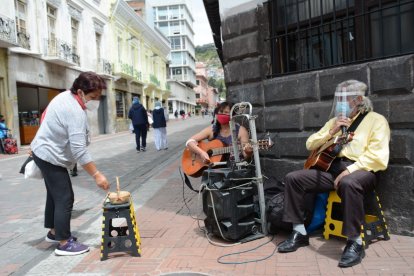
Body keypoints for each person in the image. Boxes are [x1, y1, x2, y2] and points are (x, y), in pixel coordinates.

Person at [277, 80, 390, 268]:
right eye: (338, 99)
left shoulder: (376, 120)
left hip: (362, 170)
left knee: (348, 183)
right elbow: (310, 144)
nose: (339, 103)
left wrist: (349, 171)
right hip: (332, 169)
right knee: (293, 178)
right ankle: (299, 232)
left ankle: (355, 242)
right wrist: (332, 131)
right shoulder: (334, 121)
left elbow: (377, 157)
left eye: (343, 99)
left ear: (358, 100)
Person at [30, 71, 110, 256]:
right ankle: (64, 243)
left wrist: (38, 140)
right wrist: (97, 175)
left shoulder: (65, 95)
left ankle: (54, 232)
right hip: (50, 156)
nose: (95, 101)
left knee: (55, 195)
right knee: (65, 198)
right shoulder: (74, 110)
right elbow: (79, 150)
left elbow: (45, 116)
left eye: (98, 97)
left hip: (44, 152)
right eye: (93, 97)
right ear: (81, 92)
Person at [185, 101, 253, 164]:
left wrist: (248, 152)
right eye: (220, 111)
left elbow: (245, 156)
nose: (222, 114)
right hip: (214, 170)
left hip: (235, 170)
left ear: (233, 115)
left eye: (226, 112)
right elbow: (190, 141)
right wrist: (201, 153)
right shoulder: (212, 129)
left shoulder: (241, 131)